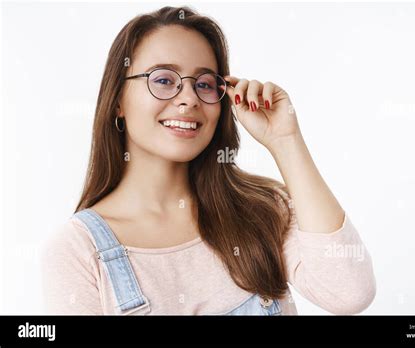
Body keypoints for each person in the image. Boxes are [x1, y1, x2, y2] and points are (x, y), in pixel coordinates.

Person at [40, 6, 376, 315]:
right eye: (162, 79)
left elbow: (349, 294)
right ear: (117, 101)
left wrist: (285, 141)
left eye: (204, 84)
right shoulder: (78, 251)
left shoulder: (263, 209)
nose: (188, 98)